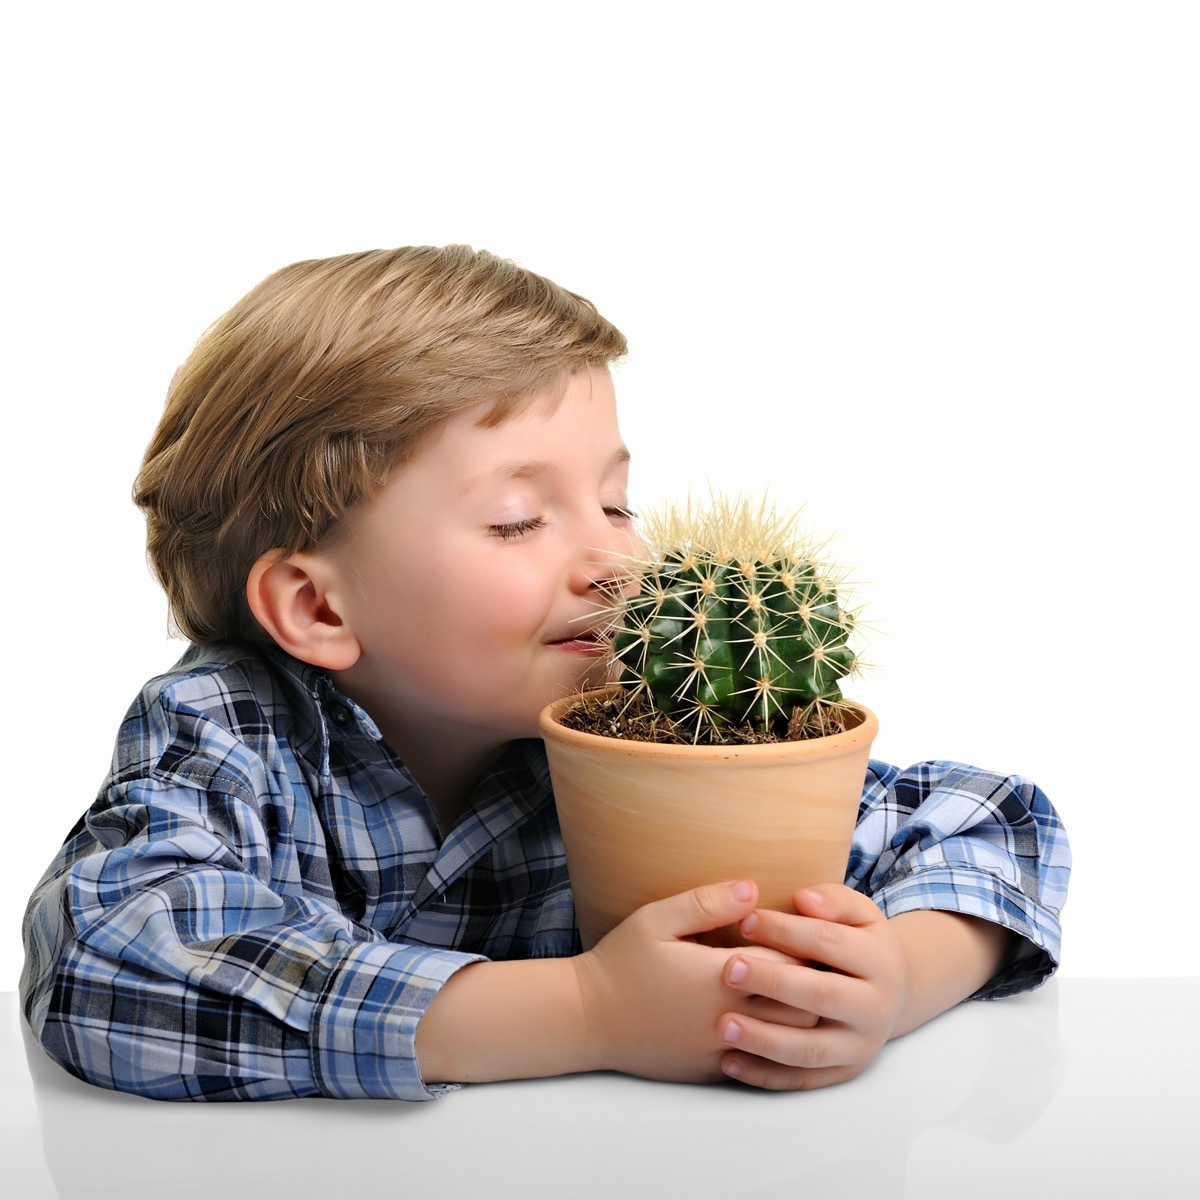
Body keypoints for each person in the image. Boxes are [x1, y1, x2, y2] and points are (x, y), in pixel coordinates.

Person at [20, 245, 1070, 1101]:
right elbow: (107, 955)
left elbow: (988, 822)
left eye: (617, 503)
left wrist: (898, 978)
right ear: (318, 606)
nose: (616, 560)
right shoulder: (229, 728)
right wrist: (590, 1012)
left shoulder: (646, 721)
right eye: (519, 519)